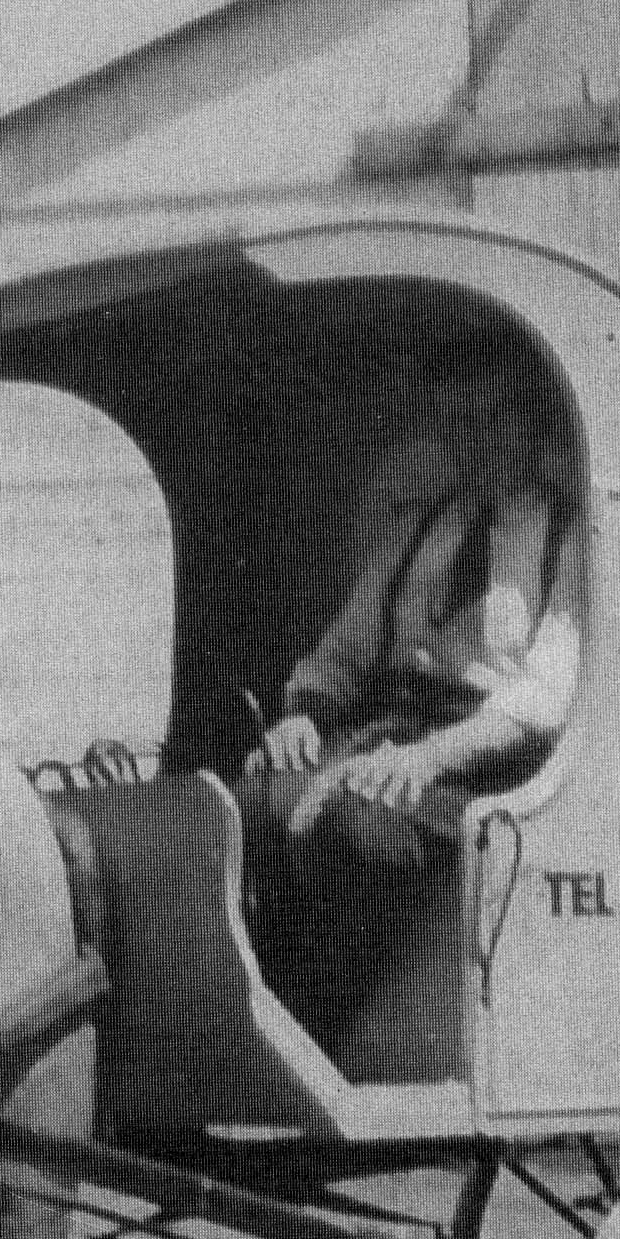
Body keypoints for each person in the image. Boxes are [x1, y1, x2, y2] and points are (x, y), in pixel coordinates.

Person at [238, 336, 581, 1043]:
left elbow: (541, 701)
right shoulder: (421, 525)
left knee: (351, 824)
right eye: (456, 423)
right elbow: (346, 647)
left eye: (489, 420)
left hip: (482, 761)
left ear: (530, 425)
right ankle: (263, 1027)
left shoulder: (565, 538)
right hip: (386, 731)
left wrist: (427, 759)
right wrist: (301, 718)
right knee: (252, 798)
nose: (471, 441)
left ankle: (339, 1040)